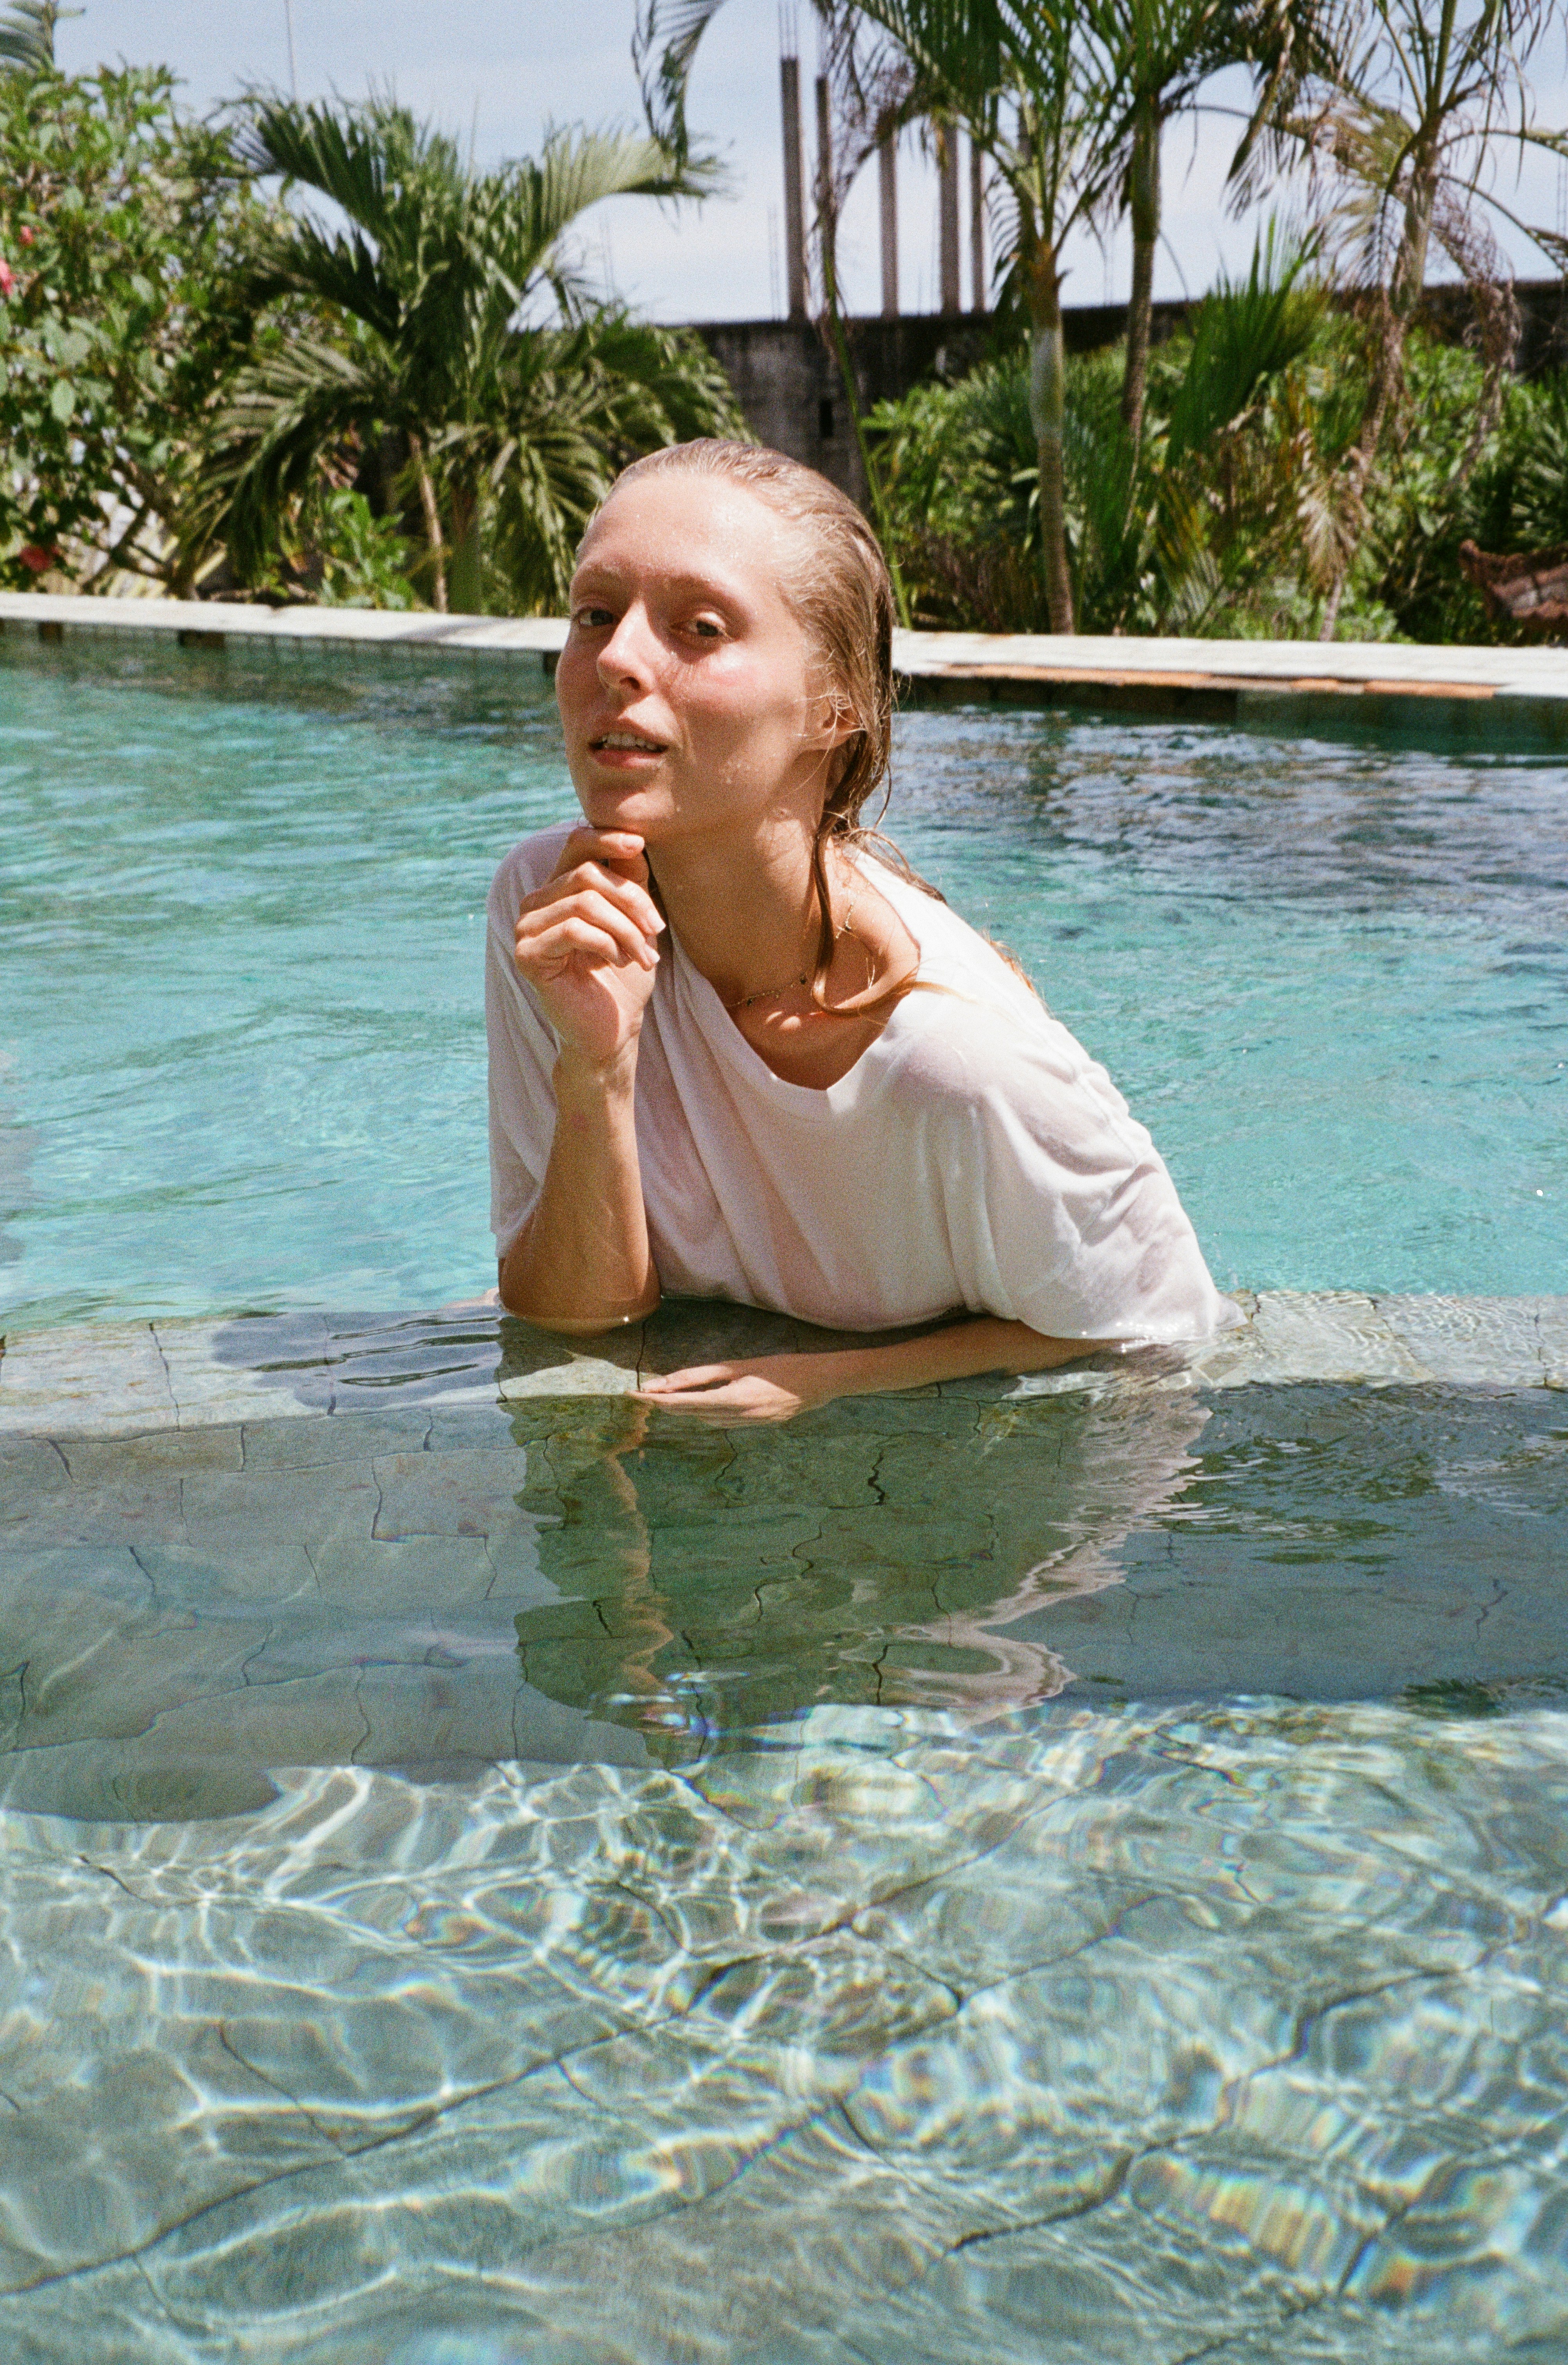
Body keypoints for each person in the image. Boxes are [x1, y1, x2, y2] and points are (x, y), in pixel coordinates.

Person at [486, 439, 1236, 1422]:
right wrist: (597, 1066)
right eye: (595, 613)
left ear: (832, 702)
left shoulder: (958, 1063)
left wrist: (834, 1382)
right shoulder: (555, 909)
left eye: (698, 628)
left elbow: (1165, 1333)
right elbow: (577, 1321)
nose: (617, 659)